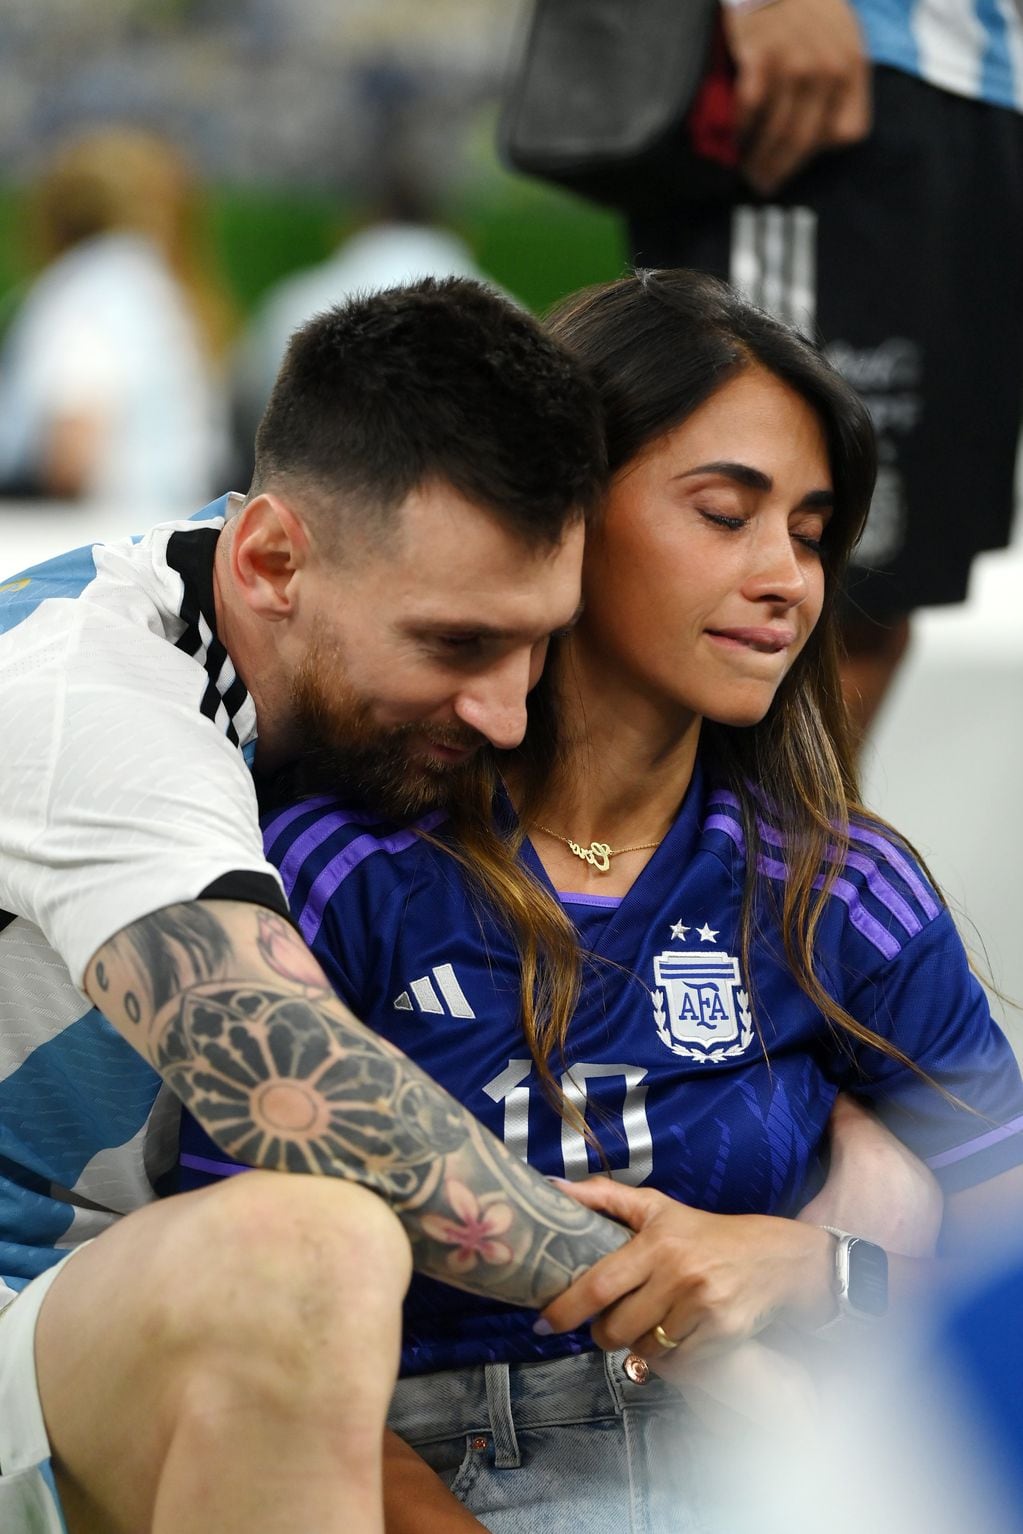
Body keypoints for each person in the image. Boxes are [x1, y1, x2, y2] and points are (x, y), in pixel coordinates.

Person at [181, 268, 1023, 1531]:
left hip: (780, 1474)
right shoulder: (334, 866)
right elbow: (237, 1333)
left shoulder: (841, 888)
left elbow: (998, 1281)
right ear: (564, 515)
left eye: (808, 529)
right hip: (418, 1474)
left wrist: (820, 1269)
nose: (786, 576)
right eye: (725, 512)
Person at [0, 276, 646, 1534]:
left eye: (539, 644)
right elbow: (293, 1085)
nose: (509, 712)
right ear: (272, 558)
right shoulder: (88, 691)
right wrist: (669, 1287)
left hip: (79, 1324)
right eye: (458, 645)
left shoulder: (265, 611)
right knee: (306, 1253)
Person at [626, 0, 1023, 740]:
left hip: (981, 91)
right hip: (837, 73)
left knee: (874, 597)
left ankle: (794, 856)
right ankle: (693, 856)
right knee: (762, 582)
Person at [0, 125, 232, 513]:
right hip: (170, 532)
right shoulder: (162, 294)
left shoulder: (82, 296)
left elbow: (73, 451)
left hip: (95, 541)